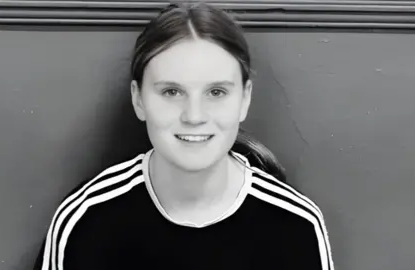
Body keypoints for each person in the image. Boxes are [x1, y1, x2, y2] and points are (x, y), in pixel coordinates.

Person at [34, 2, 334, 270]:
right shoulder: (86, 219)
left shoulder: (297, 227)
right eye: (171, 92)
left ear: (244, 100)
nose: (194, 115)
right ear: (139, 99)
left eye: (216, 92)